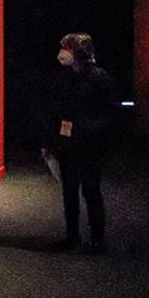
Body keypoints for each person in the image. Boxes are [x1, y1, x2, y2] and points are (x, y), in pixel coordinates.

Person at [42, 33, 116, 254]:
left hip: (89, 145)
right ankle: (72, 236)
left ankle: (97, 241)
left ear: (78, 53)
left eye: (66, 48)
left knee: (91, 191)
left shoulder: (100, 78)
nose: (61, 53)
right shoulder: (67, 77)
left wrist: (90, 131)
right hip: (68, 144)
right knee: (69, 191)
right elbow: (60, 110)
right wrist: (53, 140)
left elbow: (109, 112)